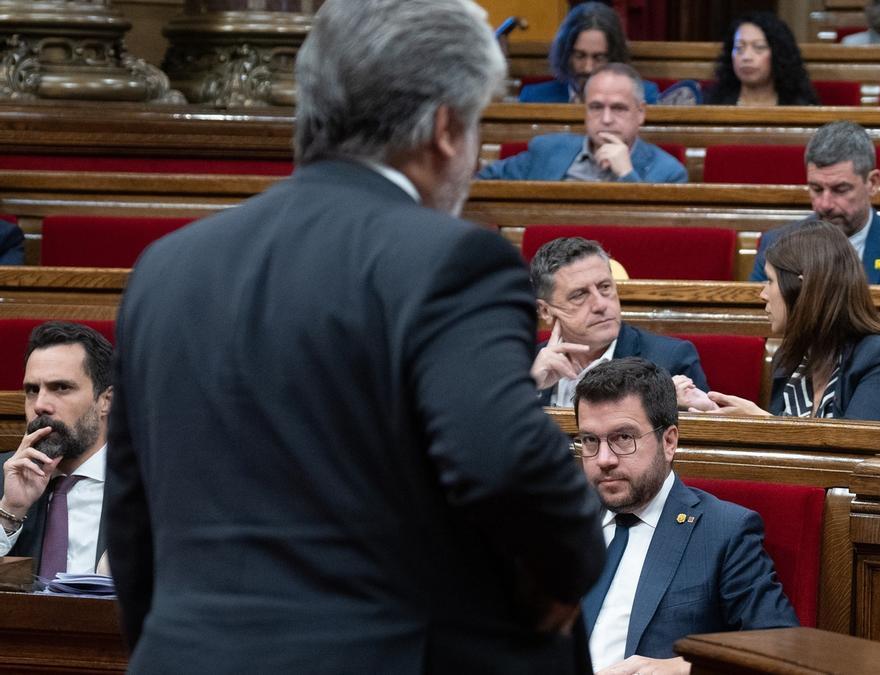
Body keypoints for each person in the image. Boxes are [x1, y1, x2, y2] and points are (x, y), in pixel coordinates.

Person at [103, 1, 605, 672]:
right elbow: (504, 459)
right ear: (446, 128)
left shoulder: (166, 268)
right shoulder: (453, 260)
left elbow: (133, 520)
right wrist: (566, 565)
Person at [573, 357, 799, 674]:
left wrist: (684, 669)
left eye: (623, 438)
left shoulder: (724, 531)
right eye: (590, 441)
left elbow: (780, 646)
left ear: (669, 441)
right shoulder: (560, 525)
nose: (604, 459)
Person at [692, 222, 880, 420]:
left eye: (770, 281)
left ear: (802, 288)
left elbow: (858, 448)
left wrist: (762, 422)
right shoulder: (790, 358)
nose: (762, 294)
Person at [529, 237, 709, 410]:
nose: (600, 305)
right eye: (579, 295)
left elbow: (702, 436)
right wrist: (528, 387)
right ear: (545, 311)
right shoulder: (525, 366)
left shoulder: (670, 361)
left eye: (605, 287)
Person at [750, 121, 880, 285]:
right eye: (816, 189)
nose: (825, 204)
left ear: (872, 183)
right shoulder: (776, 245)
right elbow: (757, 321)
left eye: (840, 189)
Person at [0, 322, 112, 576]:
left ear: (105, 401)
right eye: (32, 390)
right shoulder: (4, 479)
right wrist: (10, 511)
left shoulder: (152, 486)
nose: (40, 405)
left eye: (61, 388)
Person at [480, 64, 686, 183]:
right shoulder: (547, 150)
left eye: (618, 108)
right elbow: (482, 185)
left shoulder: (669, 173)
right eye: (596, 107)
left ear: (640, 113)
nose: (606, 119)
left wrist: (626, 174)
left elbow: (653, 240)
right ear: (585, 110)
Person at [519, 1, 659, 104]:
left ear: (614, 57)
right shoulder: (534, 98)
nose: (588, 68)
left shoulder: (643, 96)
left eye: (598, 57)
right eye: (580, 56)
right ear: (566, 55)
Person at [704, 12, 820, 106]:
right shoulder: (715, 105)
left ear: (777, 54)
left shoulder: (799, 107)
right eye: (739, 48)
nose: (746, 57)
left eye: (759, 47)